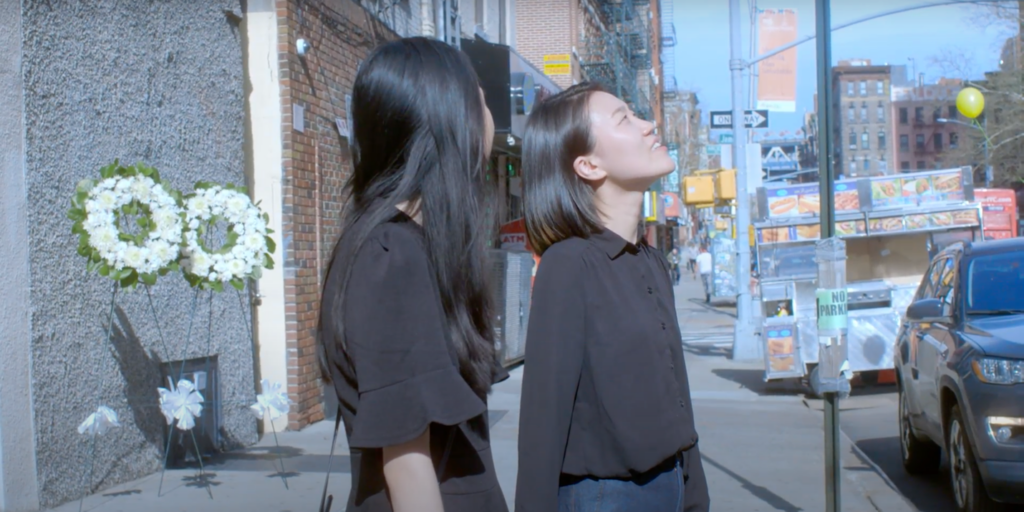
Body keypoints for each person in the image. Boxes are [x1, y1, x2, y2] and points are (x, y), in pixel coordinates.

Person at [316, 37, 508, 512]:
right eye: (480, 100)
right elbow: (408, 461)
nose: (489, 117)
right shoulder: (391, 256)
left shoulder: (410, 247)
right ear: (450, 118)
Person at [516, 82, 709, 512]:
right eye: (625, 118)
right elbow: (541, 428)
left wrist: (694, 489)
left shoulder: (651, 261)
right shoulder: (569, 265)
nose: (648, 125)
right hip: (605, 497)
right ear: (587, 165)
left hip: (670, 485)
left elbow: (677, 393)